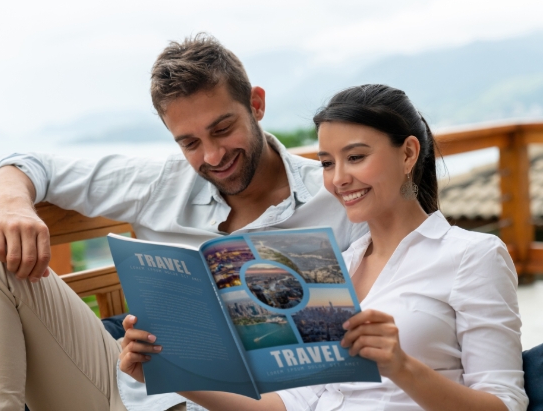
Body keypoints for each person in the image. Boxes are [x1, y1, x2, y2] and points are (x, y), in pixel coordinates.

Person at [0, 34, 367, 411]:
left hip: (273, 404)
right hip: (130, 395)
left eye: (222, 129)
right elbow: (25, 165)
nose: (212, 156)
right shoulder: (160, 182)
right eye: (190, 142)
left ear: (256, 104)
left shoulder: (338, 197)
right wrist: (13, 206)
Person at [119, 84, 529, 411]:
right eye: (328, 162)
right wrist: (172, 372)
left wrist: (401, 367)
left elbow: (504, 403)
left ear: (407, 153)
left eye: (355, 157)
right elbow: (293, 402)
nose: (338, 179)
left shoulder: (472, 256)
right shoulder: (332, 267)